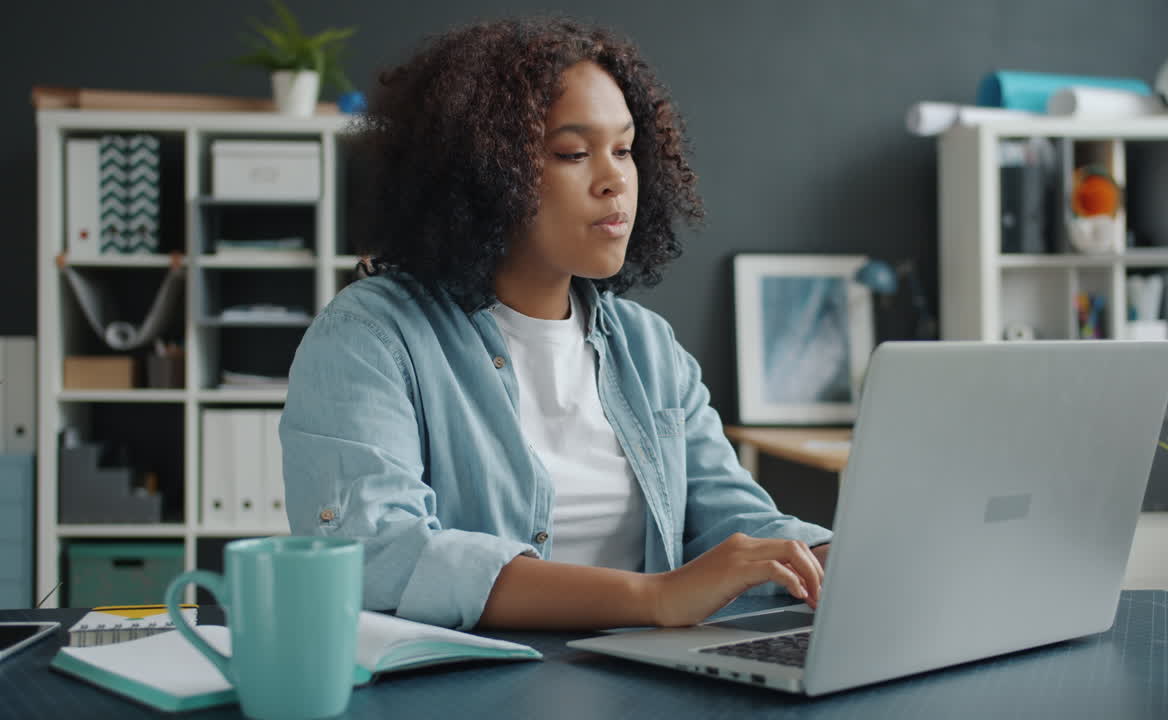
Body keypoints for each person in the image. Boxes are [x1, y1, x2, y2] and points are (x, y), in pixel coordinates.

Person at [281, 17, 832, 632]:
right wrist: (654, 598)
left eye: (624, 149)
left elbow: (735, 522)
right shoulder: (371, 337)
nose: (614, 179)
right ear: (482, 174)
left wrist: (835, 561)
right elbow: (376, 553)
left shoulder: (648, 347)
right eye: (574, 153)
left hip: (645, 685)